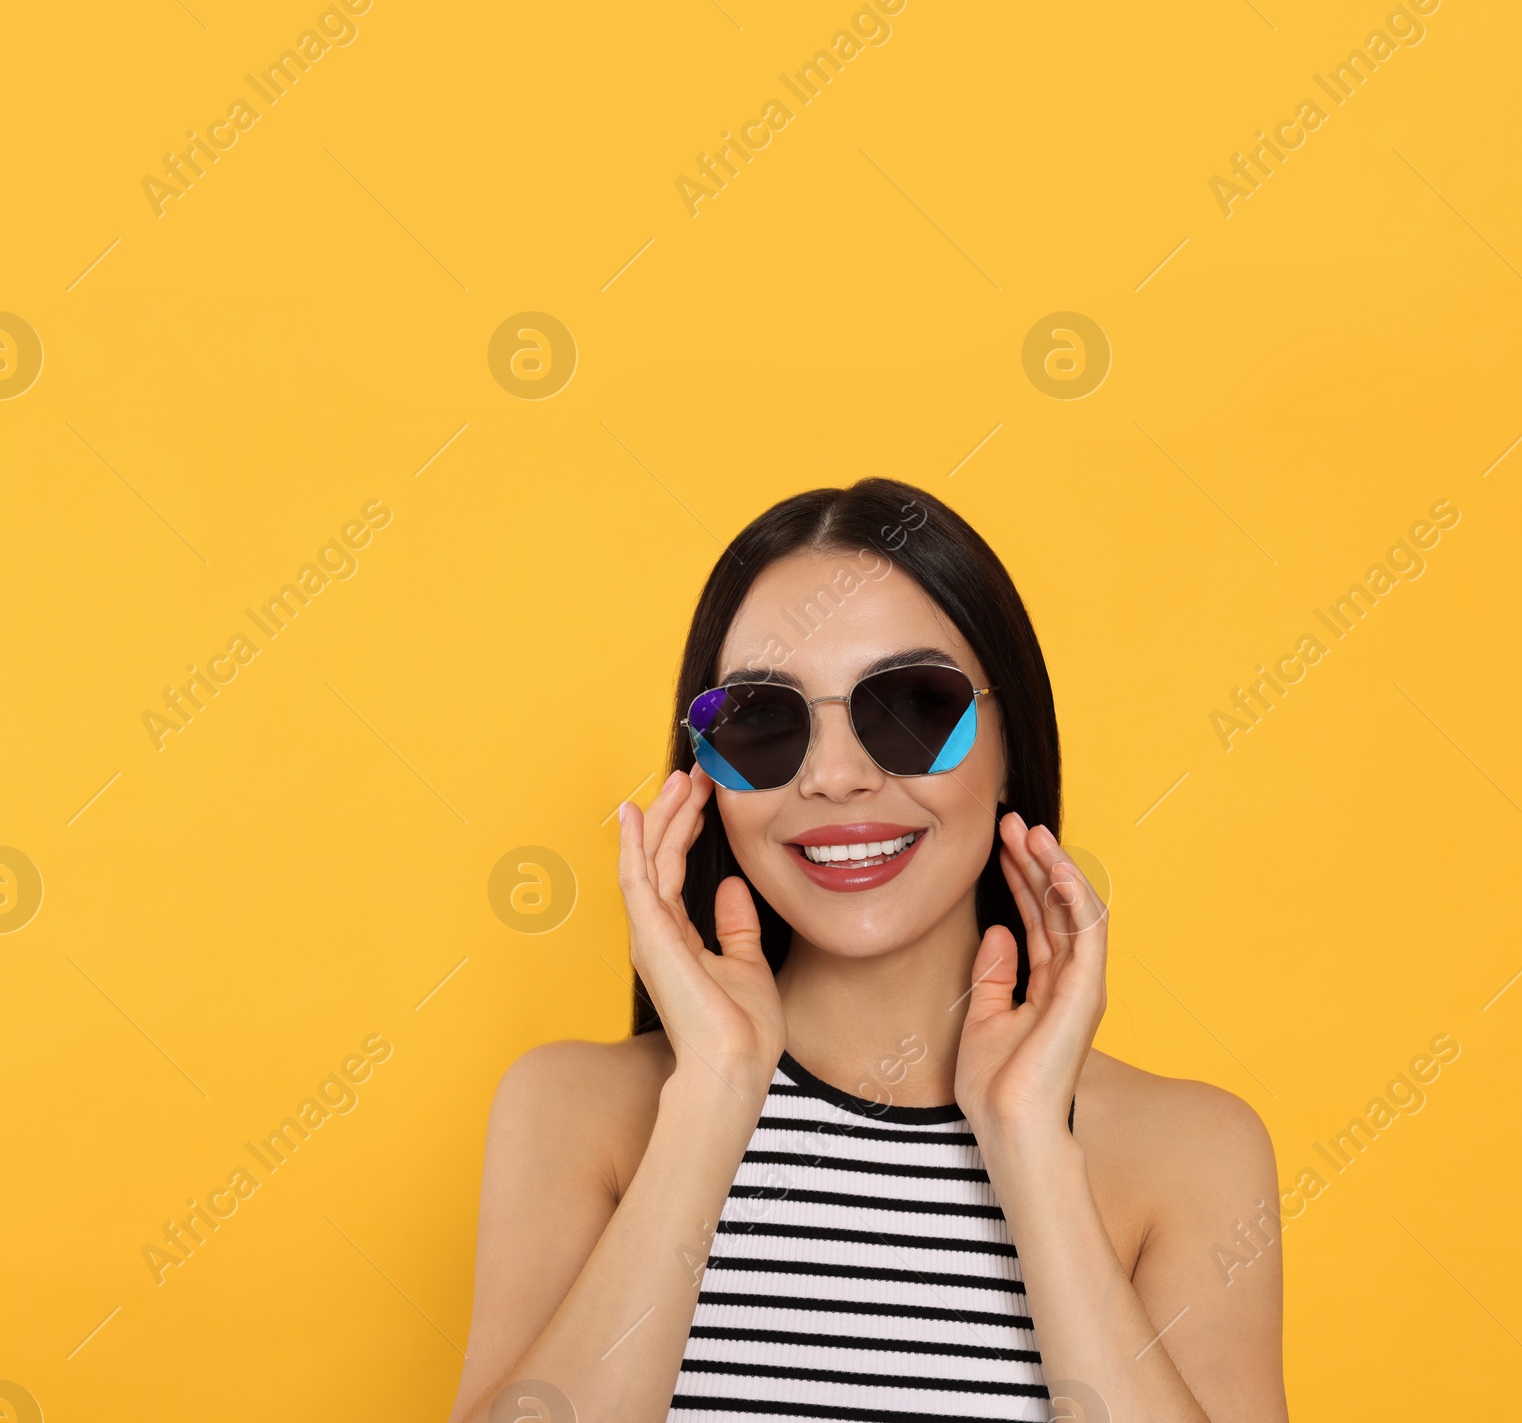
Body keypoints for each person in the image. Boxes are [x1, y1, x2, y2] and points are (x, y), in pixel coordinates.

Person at [448, 478, 1288, 1423]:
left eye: (912, 708)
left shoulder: (1190, 1155)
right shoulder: (576, 1115)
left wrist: (1030, 1147)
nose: (837, 778)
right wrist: (716, 1095)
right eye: (765, 719)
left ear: (1012, 742)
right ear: (707, 775)